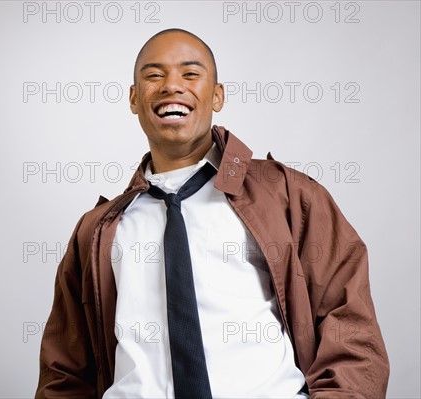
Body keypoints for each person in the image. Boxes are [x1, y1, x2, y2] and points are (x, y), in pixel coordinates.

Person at [35, 28, 389, 398]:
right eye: (154, 75)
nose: (172, 86)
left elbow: (352, 332)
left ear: (217, 95)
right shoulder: (97, 231)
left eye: (190, 74)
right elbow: (64, 372)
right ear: (134, 98)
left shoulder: (289, 196)